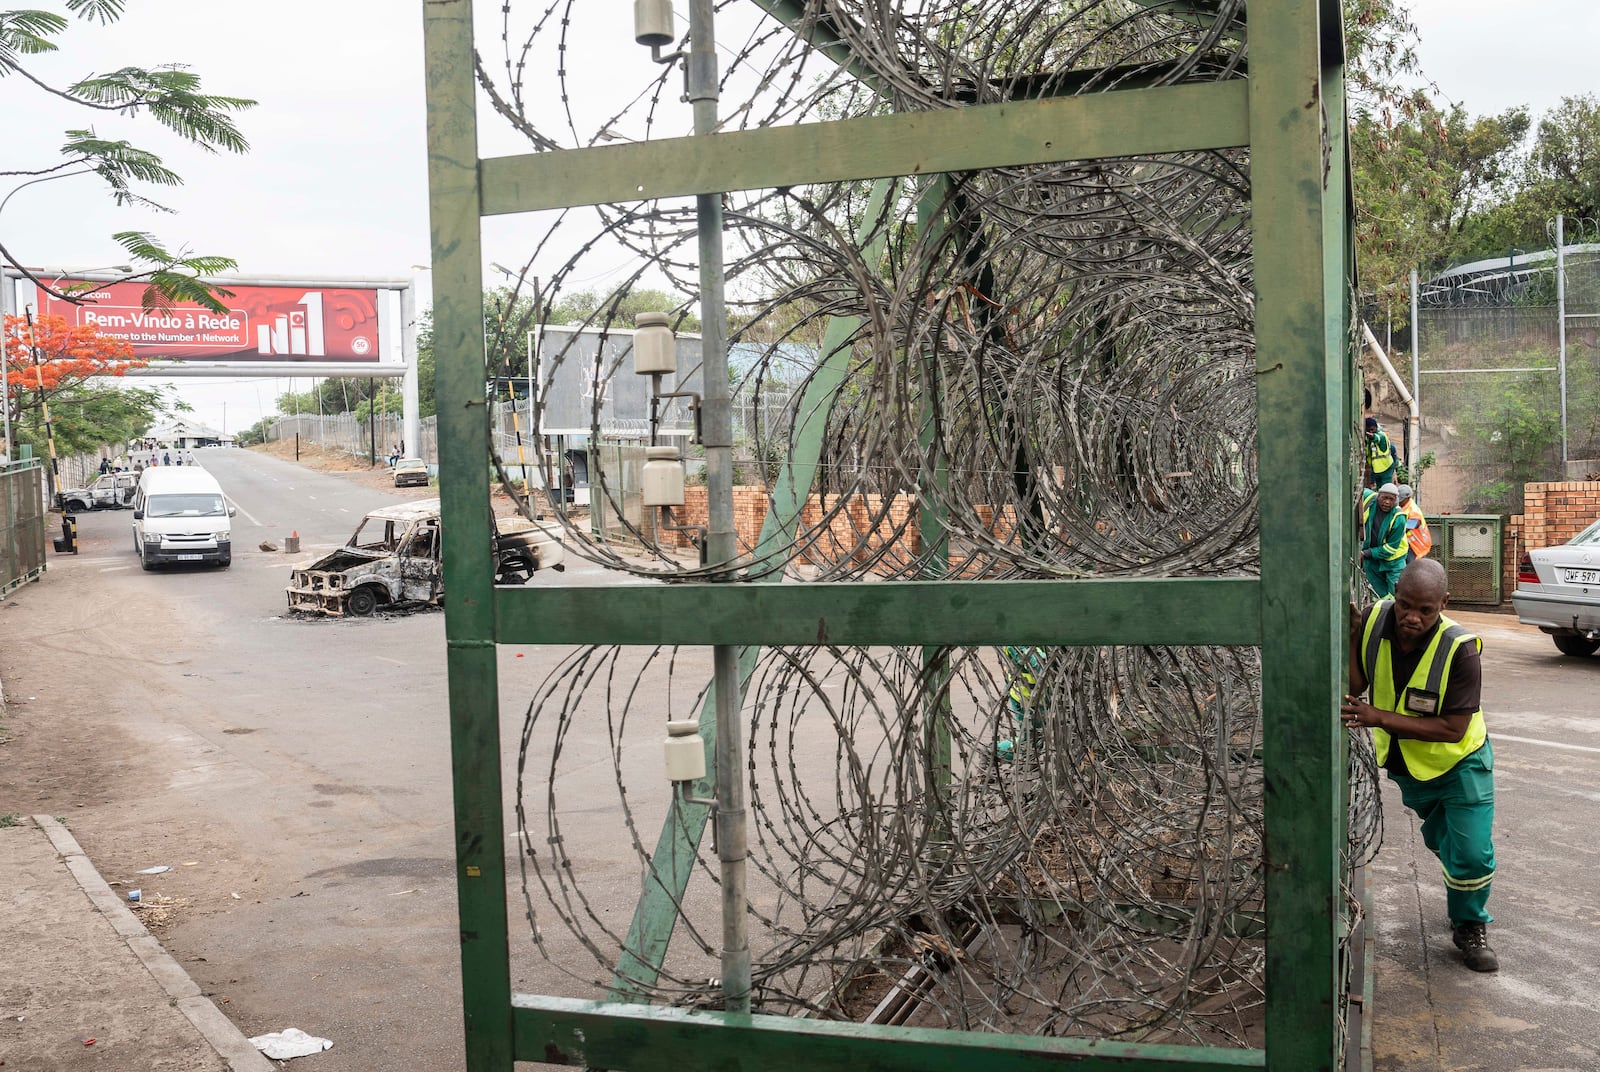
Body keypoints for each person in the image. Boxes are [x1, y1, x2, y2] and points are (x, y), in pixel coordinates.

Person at [1343, 558, 1498, 972]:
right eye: (1405, 605)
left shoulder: (1461, 649)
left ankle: (1470, 926)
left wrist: (1379, 717)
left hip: (1461, 761)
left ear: (1443, 603)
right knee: (1449, 846)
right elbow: (1357, 685)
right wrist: (1353, 636)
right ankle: (1463, 888)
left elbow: (1452, 728)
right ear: (1395, 594)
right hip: (1409, 766)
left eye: (1425, 610)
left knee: (1471, 853)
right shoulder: (1376, 619)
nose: (1412, 617)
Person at [1362, 482, 1408, 597]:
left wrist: (1365, 553)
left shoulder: (1399, 518)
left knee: (1396, 595)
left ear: (1396, 500)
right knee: (1377, 595)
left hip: (1394, 561)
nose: (1387, 502)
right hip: (1373, 560)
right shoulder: (1370, 499)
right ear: (1378, 496)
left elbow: (1391, 549)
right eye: (1384, 498)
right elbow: (1357, 490)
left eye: (1391, 499)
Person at [1397, 484, 1432, 563]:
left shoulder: (1414, 511)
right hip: (1410, 545)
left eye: (1401, 499)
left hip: (1417, 546)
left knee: (1414, 570)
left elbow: (1405, 528)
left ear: (1408, 498)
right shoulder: (1403, 507)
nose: (1399, 501)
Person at [1365, 416, 1397, 489]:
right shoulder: (1368, 439)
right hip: (1376, 469)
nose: (1371, 432)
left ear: (1376, 427)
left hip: (1386, 468)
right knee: (1379, 489)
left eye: (1372, 429)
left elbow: (1375, 438)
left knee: (1386, 489)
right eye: (1368, 430)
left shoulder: (1381, 436)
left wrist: (1366, 433)